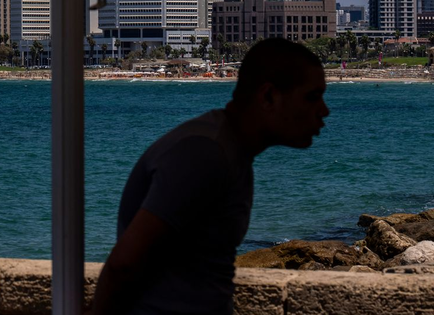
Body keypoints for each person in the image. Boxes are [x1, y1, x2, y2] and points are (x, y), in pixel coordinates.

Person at [90, 38, 330, 315]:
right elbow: (124, 264)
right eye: (312, 97)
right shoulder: (206, 154)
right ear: (268, 97)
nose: (324, 110)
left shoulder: (227, 149)